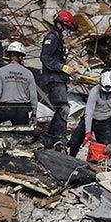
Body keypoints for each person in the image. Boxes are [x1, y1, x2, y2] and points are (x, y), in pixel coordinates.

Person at [38, 9, 76, 149]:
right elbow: (45, 57)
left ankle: (51, 135)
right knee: (63, 107)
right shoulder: (51, 38)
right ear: (59, 24)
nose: (67, 30)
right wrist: (61, 67)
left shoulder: (58, 39)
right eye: (66, 27)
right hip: (53, 78)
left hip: (59, 78)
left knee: (61, 108)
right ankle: (59, 136)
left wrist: (67, 70)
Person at [68, 69, 111, 158]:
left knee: (107, 148)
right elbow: (89, 112)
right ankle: (70, 158)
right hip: (90, 119)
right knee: (74, 141)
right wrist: (88, 132)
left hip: (105, 122)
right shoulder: (94, 92)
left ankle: (100, 164)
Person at [0, 42, 38, 126]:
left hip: (5, 109)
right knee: (21, 133)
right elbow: (33, 97)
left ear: (9, 56)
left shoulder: (0, 72)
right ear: (21, 57)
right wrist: (34, 114)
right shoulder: (28, 73)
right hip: (22, 111)